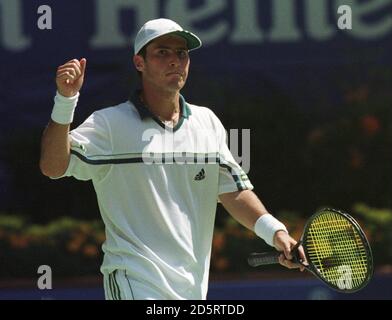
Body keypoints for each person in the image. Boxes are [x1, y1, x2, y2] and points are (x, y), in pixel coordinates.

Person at [39, 18, 306, 300]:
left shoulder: (208, 122)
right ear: (139, 63)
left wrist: (276, 233)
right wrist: (65, 100)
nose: (175, 61)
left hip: (192, 289)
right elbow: (53, 167)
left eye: (181, 53)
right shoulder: (109, 124)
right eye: (162, 52)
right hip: (133, 282)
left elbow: (233, 191)